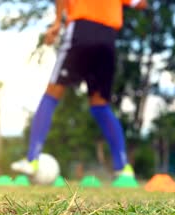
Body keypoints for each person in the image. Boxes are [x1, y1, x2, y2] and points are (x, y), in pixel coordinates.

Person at [11, 0, 148, 187]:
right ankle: (123, 169)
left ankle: (33, 160)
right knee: (100, 104)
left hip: (81, 30)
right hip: (107, 36)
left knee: (52, 94)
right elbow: (140, 3)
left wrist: (57, 22)